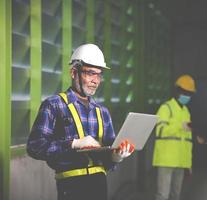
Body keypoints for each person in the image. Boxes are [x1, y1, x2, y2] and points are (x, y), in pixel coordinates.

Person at [27, 43, 134, 200]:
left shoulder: (102, 112)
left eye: (99, 75)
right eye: (90, 73)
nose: (95, 80)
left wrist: (116, 156)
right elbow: (34, 146)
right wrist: (73, 143)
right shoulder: (54, 104)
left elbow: (109, 155)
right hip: (71, 187)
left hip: (100, 185)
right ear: (73, 72)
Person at [152, 74, 196, 200]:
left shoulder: (186, 111)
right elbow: (160, 131)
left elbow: (187, 140)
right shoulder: (166, 108)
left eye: (189, 93)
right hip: (166, 160)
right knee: (162, 195)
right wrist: (179, 126)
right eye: (184, 92)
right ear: (178, 91)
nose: (187, 95)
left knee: (175, 196)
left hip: (181, 161)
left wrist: (189, 163)